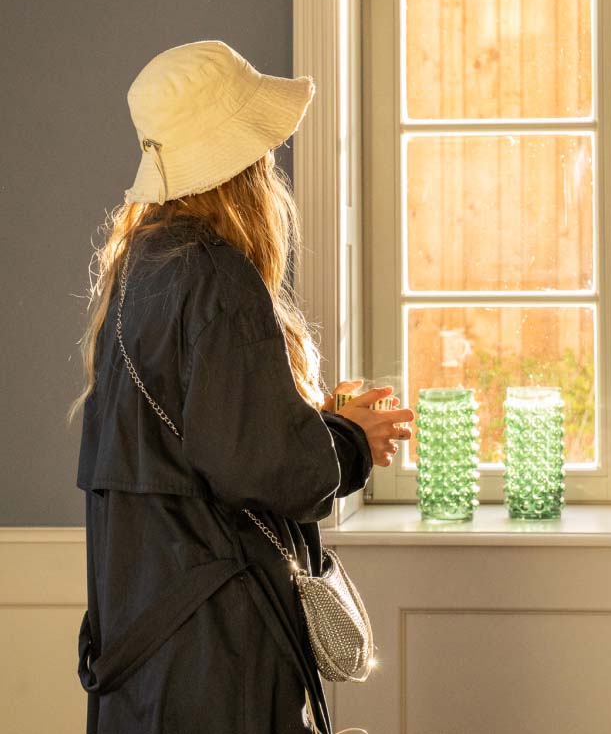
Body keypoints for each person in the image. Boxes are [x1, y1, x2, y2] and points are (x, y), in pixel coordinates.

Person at [69, 39, 415, 734]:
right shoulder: (214, 273)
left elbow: (199, 446)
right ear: (242, 161)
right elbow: (267, 469)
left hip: (144, 637)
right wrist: (349, 439)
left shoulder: (138, 267)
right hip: (216, 643)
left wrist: (311, 415)